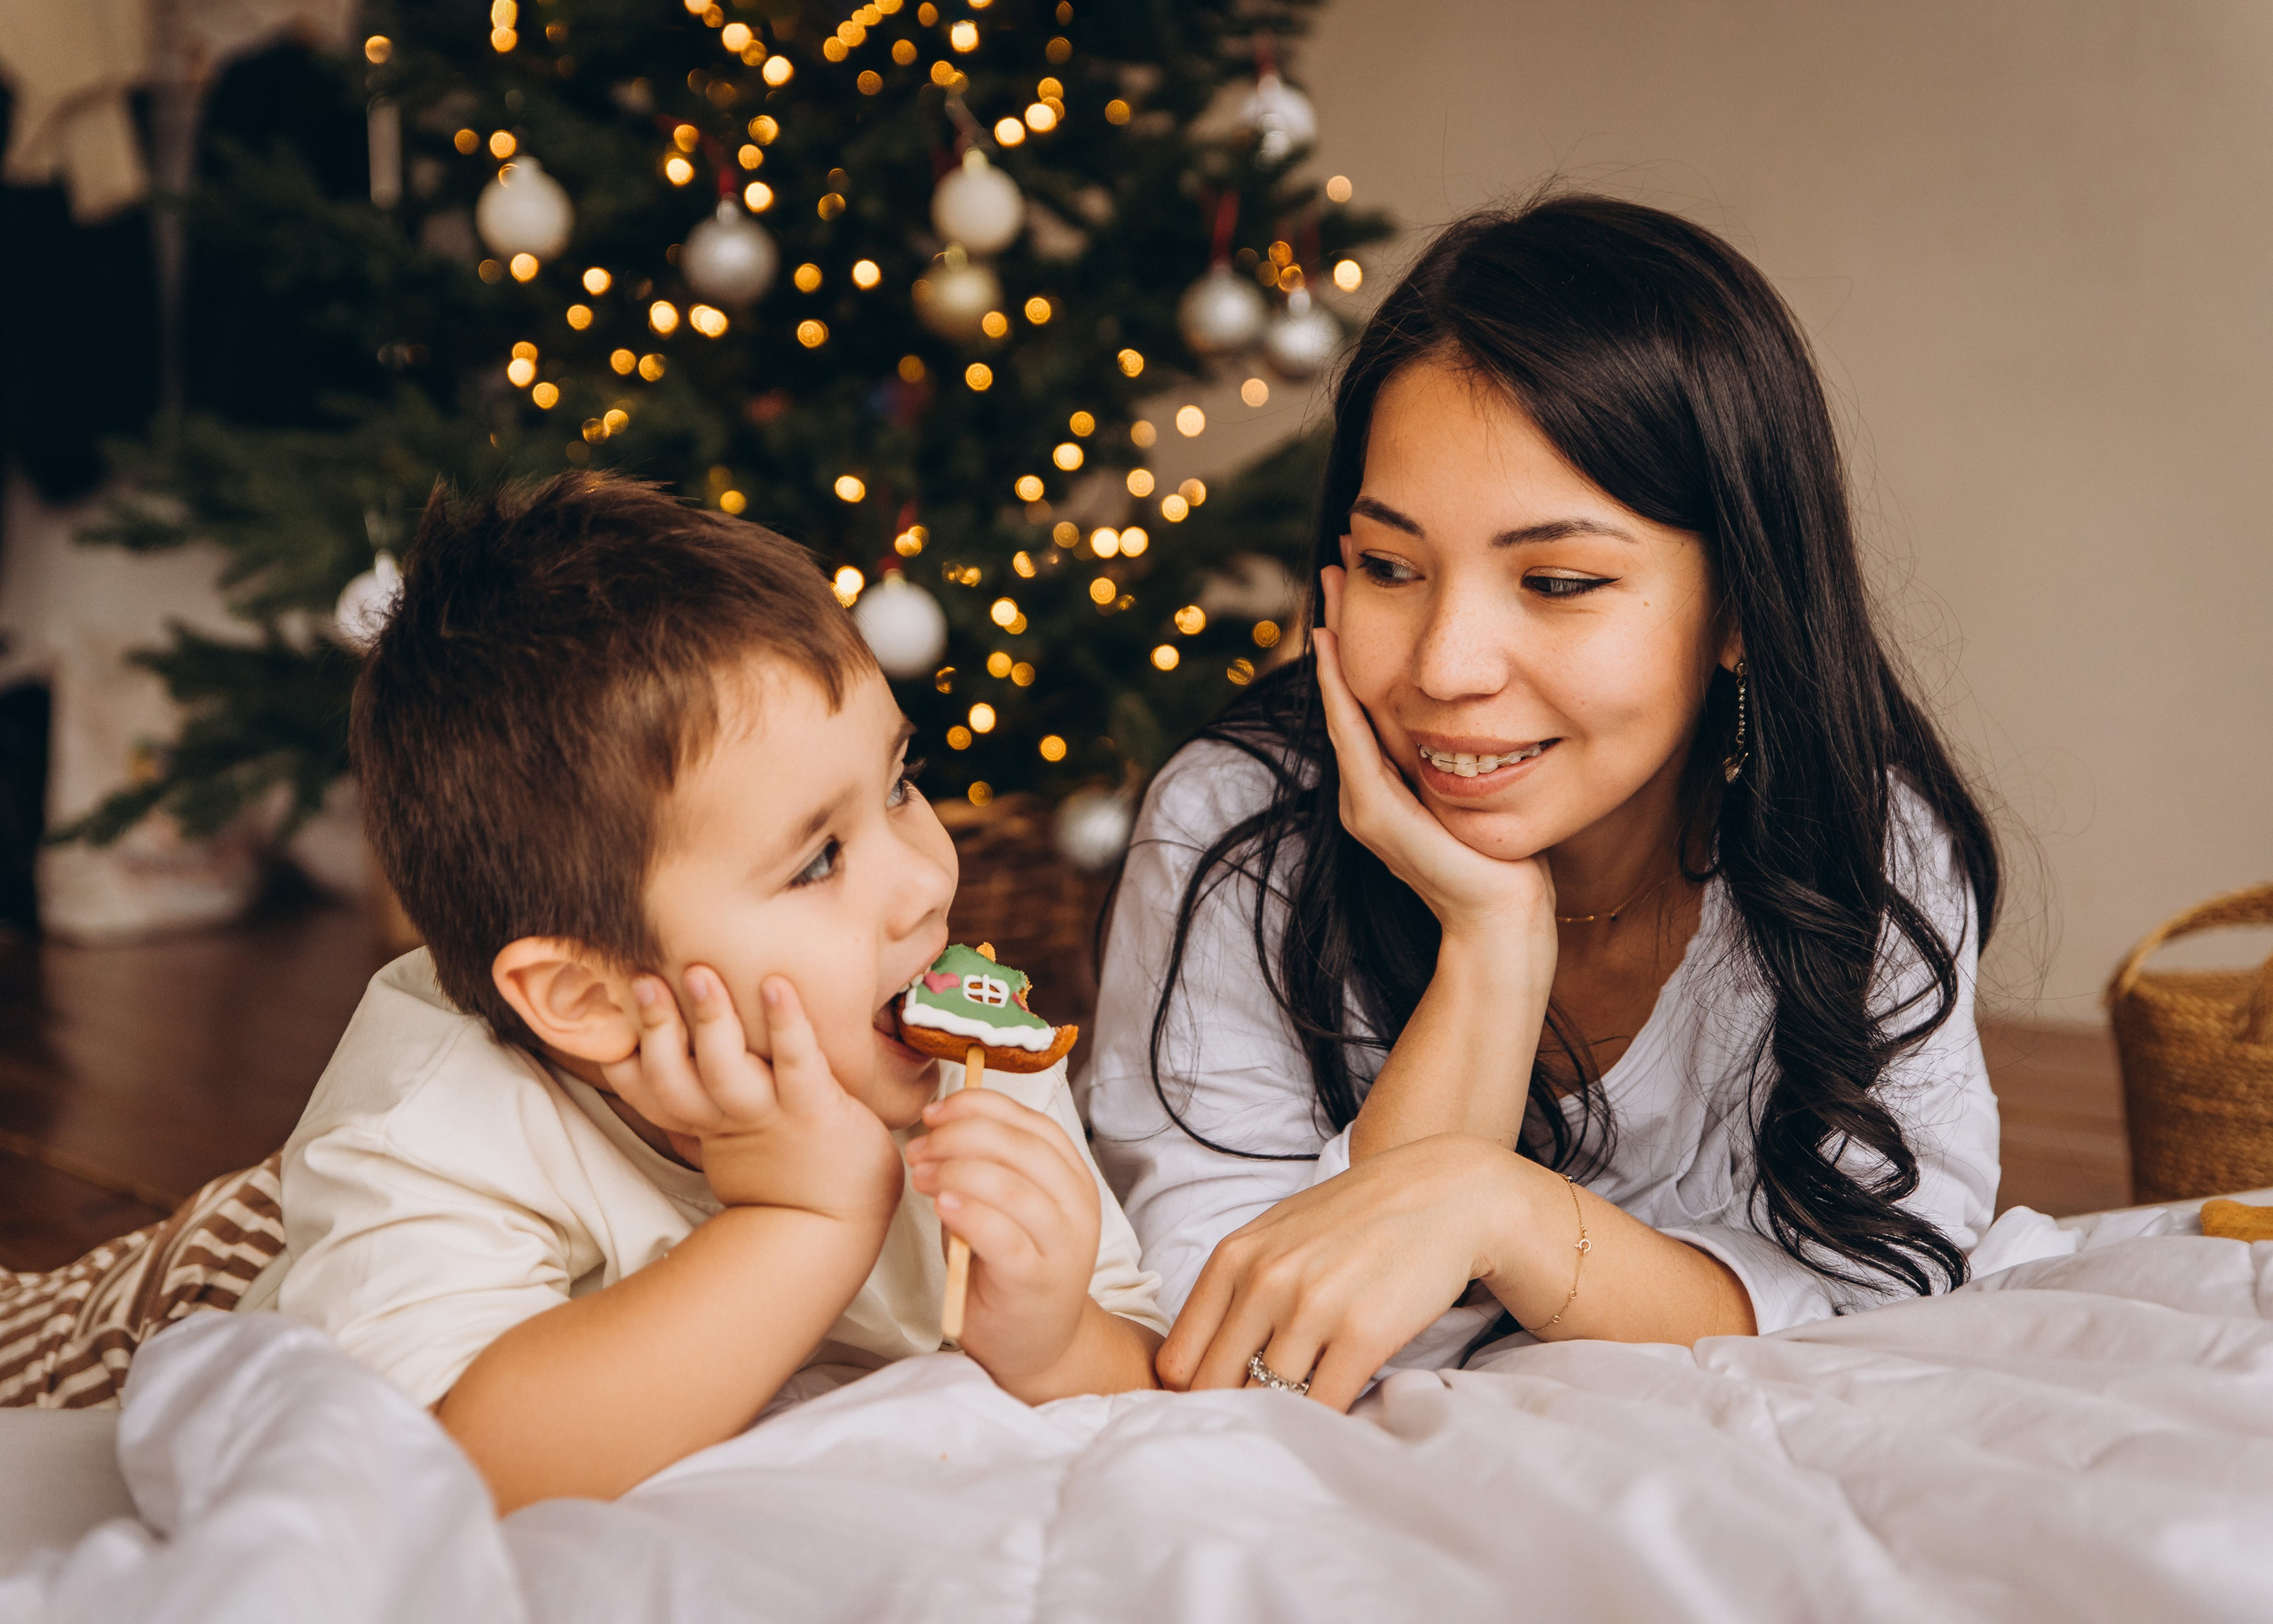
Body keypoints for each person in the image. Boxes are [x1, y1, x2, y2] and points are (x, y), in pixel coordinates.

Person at [1083, 193, 2002, 1413]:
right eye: (1392, 567)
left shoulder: (1861, 844)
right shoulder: (1235, 828)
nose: (1446, 666)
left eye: (1559, 581)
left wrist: (1497, 1209)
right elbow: (1254, 1350)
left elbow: (1881, 1290)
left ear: (1740, 606)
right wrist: (1491, 944)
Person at [275, 476, 1164, 1513]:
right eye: (818, 860)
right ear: (588, 995)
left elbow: (1142, 1367)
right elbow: (449, 1472)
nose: (927, 881)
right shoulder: (423, 1130)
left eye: (899, 784)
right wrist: (803, 1216)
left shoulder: (968, 1066)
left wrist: (1059, 1338)